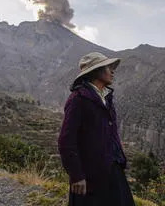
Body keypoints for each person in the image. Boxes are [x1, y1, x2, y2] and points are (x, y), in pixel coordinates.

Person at [58, 52, 135, 205]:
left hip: (112, 169)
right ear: (96, 71)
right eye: (108, 67)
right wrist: (77, 175)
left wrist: (119, 156)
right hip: (90, 174)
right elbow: (66, 141)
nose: (112, 71)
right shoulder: (78, 99)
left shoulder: (107, 99)